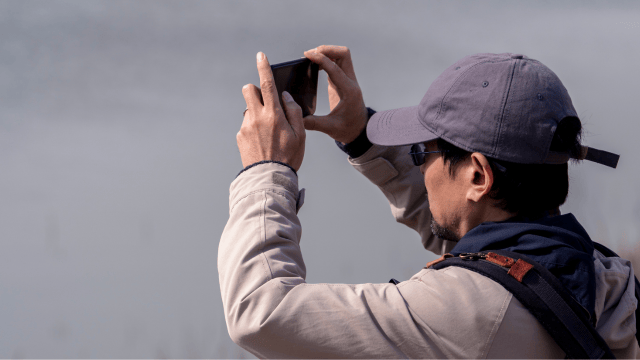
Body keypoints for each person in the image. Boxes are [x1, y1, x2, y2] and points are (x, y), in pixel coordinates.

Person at [219, 46, 637, 358]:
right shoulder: (607, 280)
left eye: (422, 153)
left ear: (478, 175)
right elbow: (480, 240)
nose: (420, 168)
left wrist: (268, 171)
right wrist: (361, 137)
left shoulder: (460, 312)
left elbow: (261, 313)